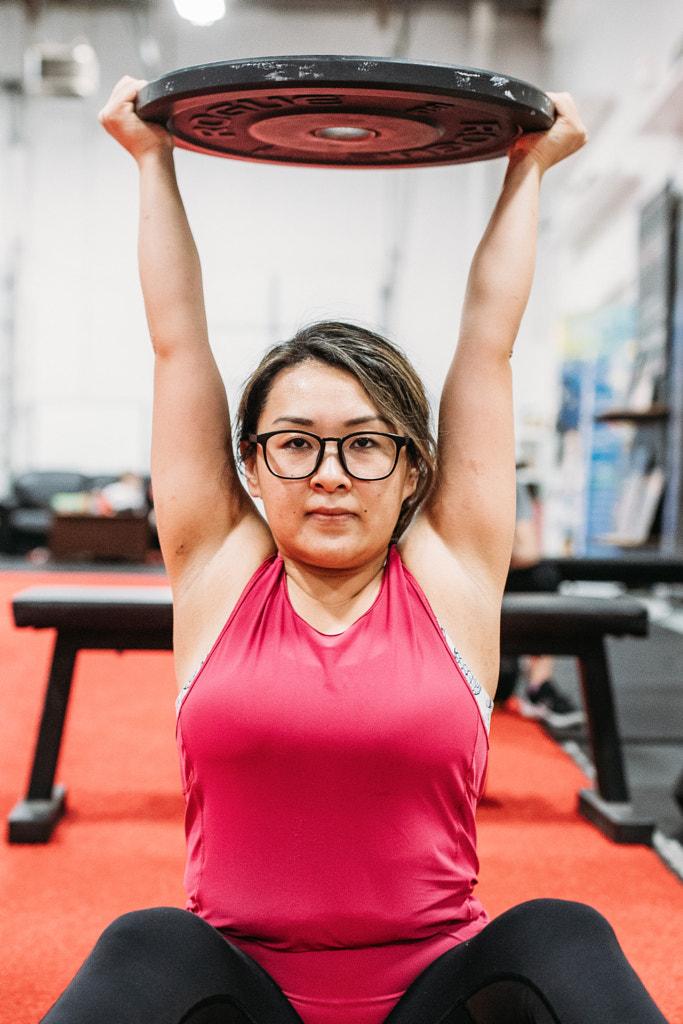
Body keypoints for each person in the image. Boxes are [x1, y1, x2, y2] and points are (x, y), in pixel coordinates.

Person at [38, 76, 669, 1024]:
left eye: (366, 442)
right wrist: (152, 158)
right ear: (251, 463)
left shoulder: (451, 571)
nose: (328, 472)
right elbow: (178, 347)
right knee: (145, 942)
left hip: (435, 998)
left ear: (414, 466)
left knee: (563, 933)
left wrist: (525, 171)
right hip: (245, 1000)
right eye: (294, 441)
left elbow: (485, 346)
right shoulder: (218, 567)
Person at [497, 478, 585, 728]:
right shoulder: (435, 473)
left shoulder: (507, 482)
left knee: (542, 576)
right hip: (454, 581)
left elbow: (527, 552)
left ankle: (539, 685)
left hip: (496, 578)